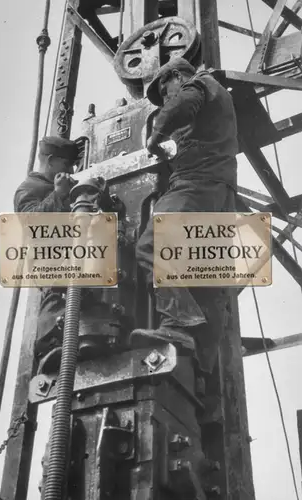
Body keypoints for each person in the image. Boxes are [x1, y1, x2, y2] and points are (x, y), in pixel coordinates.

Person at [130, 57, 239, 374]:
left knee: (152, 247)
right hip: (219, 194)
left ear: (176, 76)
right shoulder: (218, 95)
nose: (166, 100)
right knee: (206, 279)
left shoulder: (200, 84)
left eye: (165, 92)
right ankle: (202, 365)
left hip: (194, 187)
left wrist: (156, 135)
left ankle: (177, 325)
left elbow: (182, 104)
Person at [14, 135, 79, 357]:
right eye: (66, 164)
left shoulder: (60, 184)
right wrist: (58, 193)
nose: (71, 170)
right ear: (50, 161)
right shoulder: (29, 187)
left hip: (70, 255)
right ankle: (47, 342)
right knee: (54, 292)